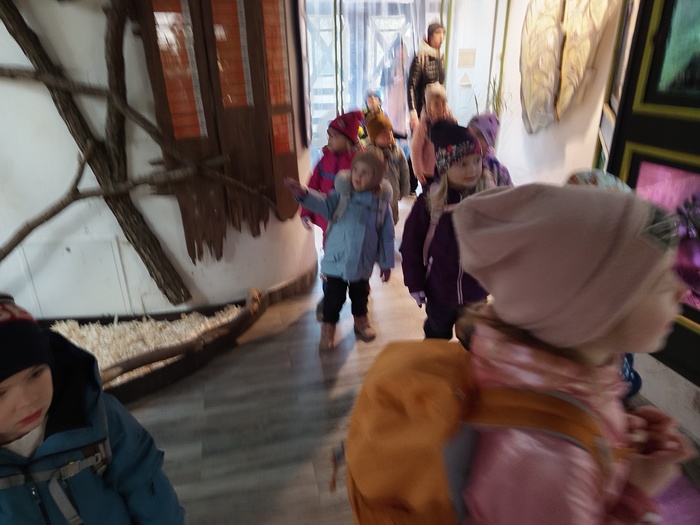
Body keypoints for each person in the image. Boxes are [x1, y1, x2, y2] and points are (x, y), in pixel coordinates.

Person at [451, 183, 695, 524]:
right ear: (592, 312)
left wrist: (615, 441)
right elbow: (562, 476)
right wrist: (635, 493)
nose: (682, 291)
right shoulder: (544, 460)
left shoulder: (577, 372)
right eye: (661, 282)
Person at [0, 296, 184, 524]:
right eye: (1, 393)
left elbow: (145, 482)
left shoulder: (97, 416)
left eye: (35, 374)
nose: (27, 400)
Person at [284, 146, 394, 351]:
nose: (358, 176)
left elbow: (387, 236)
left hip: (363, 260)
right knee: (334, 298)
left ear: (377, 178)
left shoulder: (380, 205)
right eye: (356, 170)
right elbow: (323, 203)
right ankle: (328, 328)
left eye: (365, 173)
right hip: (337, 259)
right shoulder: (342, 195)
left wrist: (386, 263)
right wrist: (304, 194)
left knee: (360, 295)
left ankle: (361, 321)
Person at [400, 120, 495, 342]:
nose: (472, 169)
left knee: (476, 341)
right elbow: (411, 245)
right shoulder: (429, 203)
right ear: (444, 166)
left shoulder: (487, 197)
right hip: (440, 289)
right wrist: (415, 283)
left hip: (476, 289)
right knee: (436, 335)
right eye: (462, 164)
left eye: (477, 161)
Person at [301, 111, 364, 321]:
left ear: (348, 139)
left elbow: (371, 187)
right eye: (328, 136)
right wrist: (306, 212)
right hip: (330, 224)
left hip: (353, 221)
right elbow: (312, 187)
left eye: (333, 136)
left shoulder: (360, 161)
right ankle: (329, 297)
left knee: (357, 256)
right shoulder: (323, 161)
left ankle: (360, 297)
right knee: (330, 260)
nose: (329, 140)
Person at [365, 112, 410, 225]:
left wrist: (404, 190)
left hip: (393, 195)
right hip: (374, 199)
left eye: (389, 130)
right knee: (375, 223)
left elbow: (404, 171)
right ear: (374, 137)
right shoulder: (368, 154)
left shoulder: (397, 151)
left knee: (391, 221)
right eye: (383, 133)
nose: (388, 134)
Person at [410, 83, 456, 192]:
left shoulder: (450, 121)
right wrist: (418, 170)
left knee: (444, 194)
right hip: (429, 171)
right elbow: (415, 148)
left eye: (443, 103)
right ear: (429, 106)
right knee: (429, 196)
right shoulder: (425, 124)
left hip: (445, 169)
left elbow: (456, 139)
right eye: (436, 104)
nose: (441, 107)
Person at [407, 22, 446, 133]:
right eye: (437, 33)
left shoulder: (440, 57)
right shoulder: (420, 58)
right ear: (430, 36)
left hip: (438, 112)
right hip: (422, 110)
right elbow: (411, 86)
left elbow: (441, 83)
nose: (441, 37)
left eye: (443, 33)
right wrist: (413, 114)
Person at [467, 112, 513, 187]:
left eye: (479, 135)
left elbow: (509, 193)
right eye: (470, 133)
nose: (473, 138)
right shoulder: (458, 163)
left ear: (489, 140)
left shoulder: (499, 171)